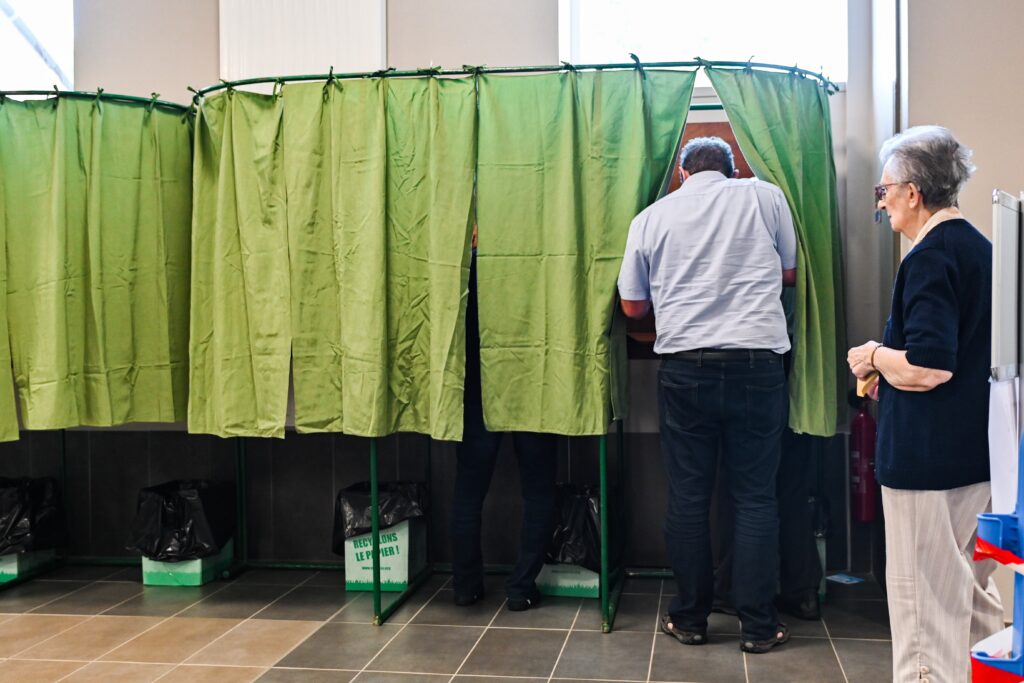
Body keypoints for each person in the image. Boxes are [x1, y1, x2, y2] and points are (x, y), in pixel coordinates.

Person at [618, 136, 797, 653]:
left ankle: (690, 619)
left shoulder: (651, 217)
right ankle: (759, 627)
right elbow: (788, 273)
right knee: (756, 496)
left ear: (681, 174)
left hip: (685, 369)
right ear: (734, 168)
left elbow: (632, 308)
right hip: (758, 363)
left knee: (690, 497)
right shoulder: (765, 197)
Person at [847, 125, 1001, 682]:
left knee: (922, 616)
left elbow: (933, 364)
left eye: (884, 190)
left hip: (926, 466)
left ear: (913, 192)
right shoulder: (983, 249)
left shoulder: (930, 257)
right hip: (976, 458)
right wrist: (895, 367)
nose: (882, 200)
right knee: (972, 599)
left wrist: (873, 355)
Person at [450, 225, 559, 612]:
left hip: (478, 390)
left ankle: (465, 585)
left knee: (468, 489)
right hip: (534, 387)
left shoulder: (464, 268)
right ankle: (521, 587)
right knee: (539, 489)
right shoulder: (541, 265)